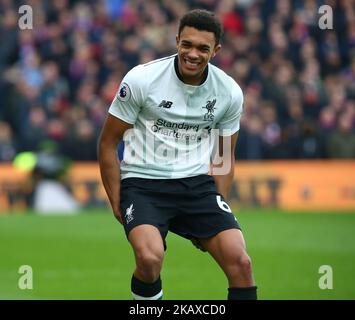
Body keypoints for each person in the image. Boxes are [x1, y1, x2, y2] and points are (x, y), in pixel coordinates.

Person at [98, 9, 257, 300]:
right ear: (176, 40)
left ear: (217, 50)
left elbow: (223, 158)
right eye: (187, 44)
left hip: (197, 187)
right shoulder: (141, 79)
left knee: (242, 263)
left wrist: (218, 204)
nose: (192, 53)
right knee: (149, 259)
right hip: (143, 185)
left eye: (202, 48)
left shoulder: (229, 92)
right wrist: (116, 199)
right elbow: (108, 142)